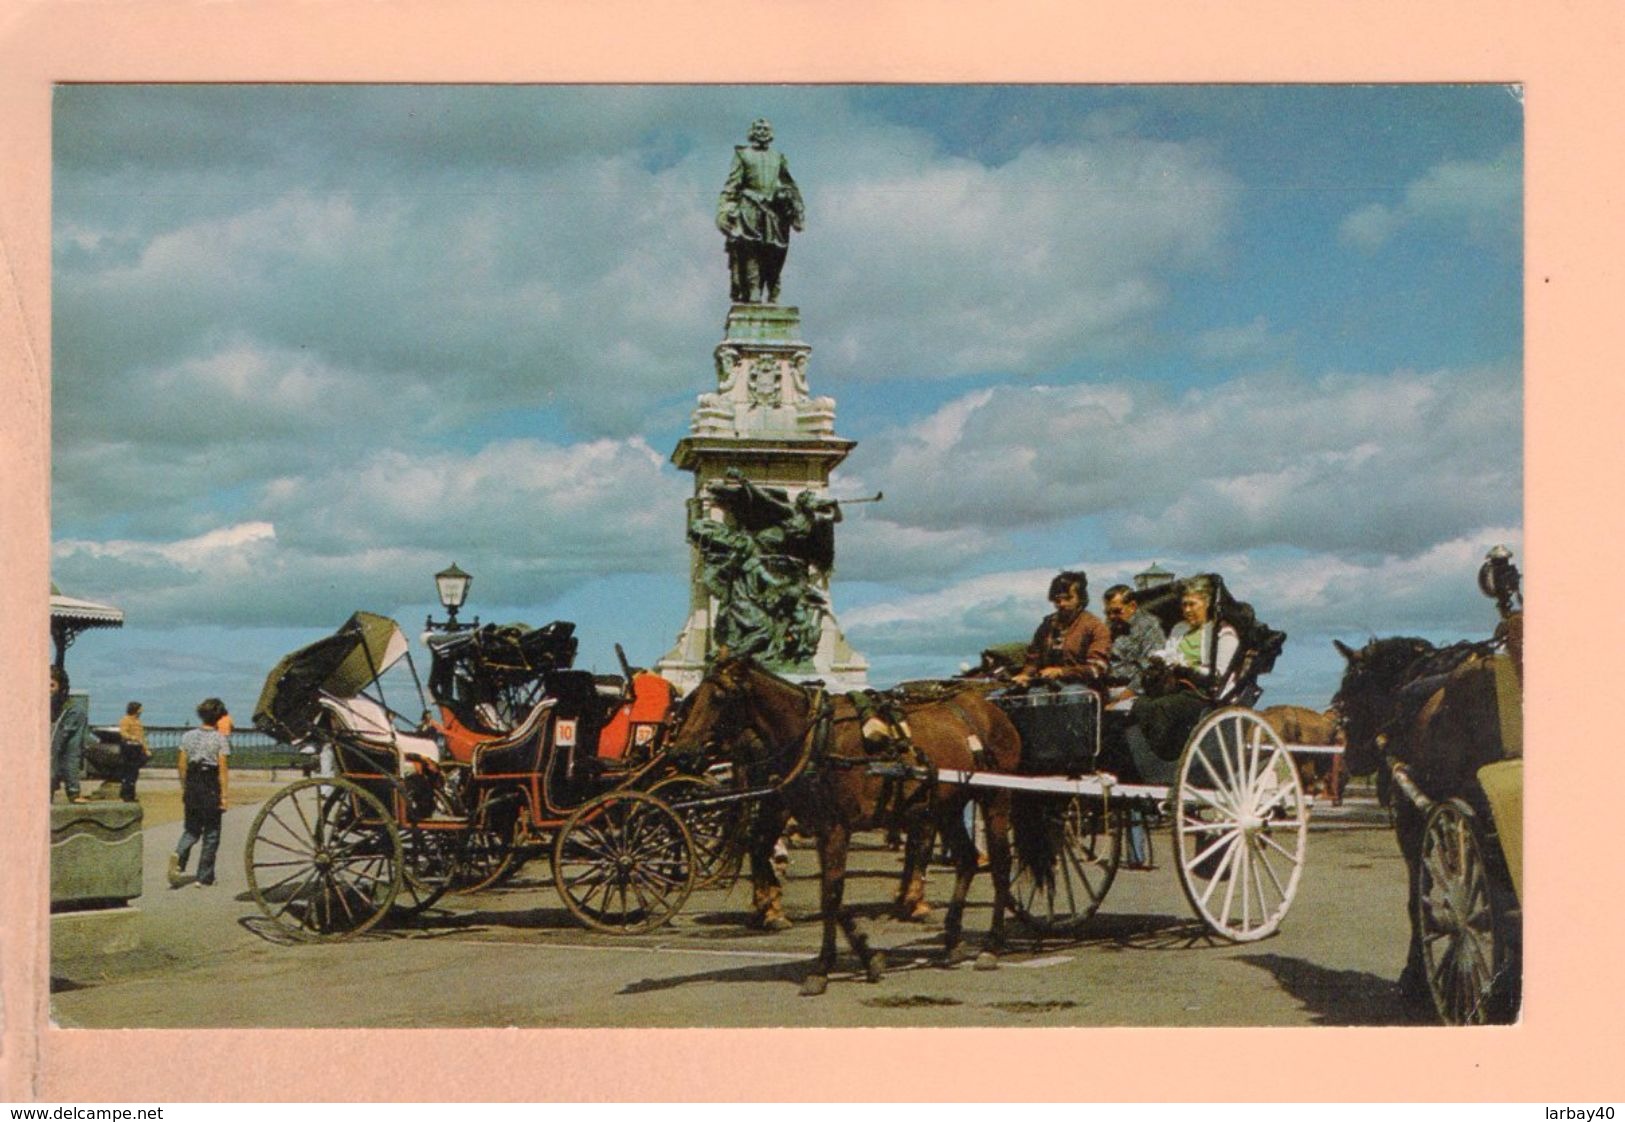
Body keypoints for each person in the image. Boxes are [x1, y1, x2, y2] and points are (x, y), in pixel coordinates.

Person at [1126, 578, 1241, 783]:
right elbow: (1170, 652)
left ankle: (1164, 759)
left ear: (1206, 603)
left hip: (1206, 693)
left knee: (1164, 708)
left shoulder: (1224, 634)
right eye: (1184, 604)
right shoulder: (1179, 628)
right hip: (1176, 687)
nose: (1187, 610)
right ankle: (1144, 760)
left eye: (1192, 604)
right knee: (1141, 705)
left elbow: (1220, 675)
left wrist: (1187, 669)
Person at [717, 118, 805, 304]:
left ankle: (773, 288)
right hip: (749, 206)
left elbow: (790, 184)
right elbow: (732, 185)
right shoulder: (743, 155)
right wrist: (723, 210)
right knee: (751, 249)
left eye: (766, 128)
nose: (762, 131)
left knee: (775, 252)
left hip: (774, 211)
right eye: (758, 128)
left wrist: (798, 209)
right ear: (752, 132)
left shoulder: (778, 156)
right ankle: (754, 289)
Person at [170, 697, 231, 888]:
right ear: (219, 717)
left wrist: (185, 787)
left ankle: (178, 857)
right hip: (210, 783)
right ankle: (203, 877)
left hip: (193, 783)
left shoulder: (188, 736)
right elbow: (222, 770)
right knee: (212, 833)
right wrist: (224, 796)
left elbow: (181, 764)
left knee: (191, 829)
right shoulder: (220, 739)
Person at [1014, 571, 1111, 686]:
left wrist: (1062, 672)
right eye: (1057, 600)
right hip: (1047, 685)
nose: (1062, 603)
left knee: (1072, 694)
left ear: (1080, 598)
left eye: (1068, 598)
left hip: (1084, 687)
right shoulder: (1046, 625)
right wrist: (1025, 675)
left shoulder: (1095, 627)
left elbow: (1097, 668)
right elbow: (1033, 659)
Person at [1102, 584, 1167, 696]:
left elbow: (1151, 668)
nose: (1111, 616)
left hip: (1133, 691)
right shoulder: (1111, 627)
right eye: (1108, 613)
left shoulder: (1149, 627)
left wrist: (1126, 694)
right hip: (1106, 688)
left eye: (1117, 611)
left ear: (1132, 606)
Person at [50, 667, 89, 803]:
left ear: (61, 687)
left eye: (51, 685)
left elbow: (72, 752)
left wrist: (73, 791)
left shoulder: (72, 712)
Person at [116, 701, 152, 802]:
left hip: (137, 748)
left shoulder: (138, 721)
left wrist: (146, 749)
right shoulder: (126, 720)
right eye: (140, 708)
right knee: (129, 772)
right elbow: (123, 733)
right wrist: (133, 737)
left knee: (134, 772)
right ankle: (127, 794)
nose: (142, 711)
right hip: (129, 748)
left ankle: (130, 794)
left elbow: (141, 737)